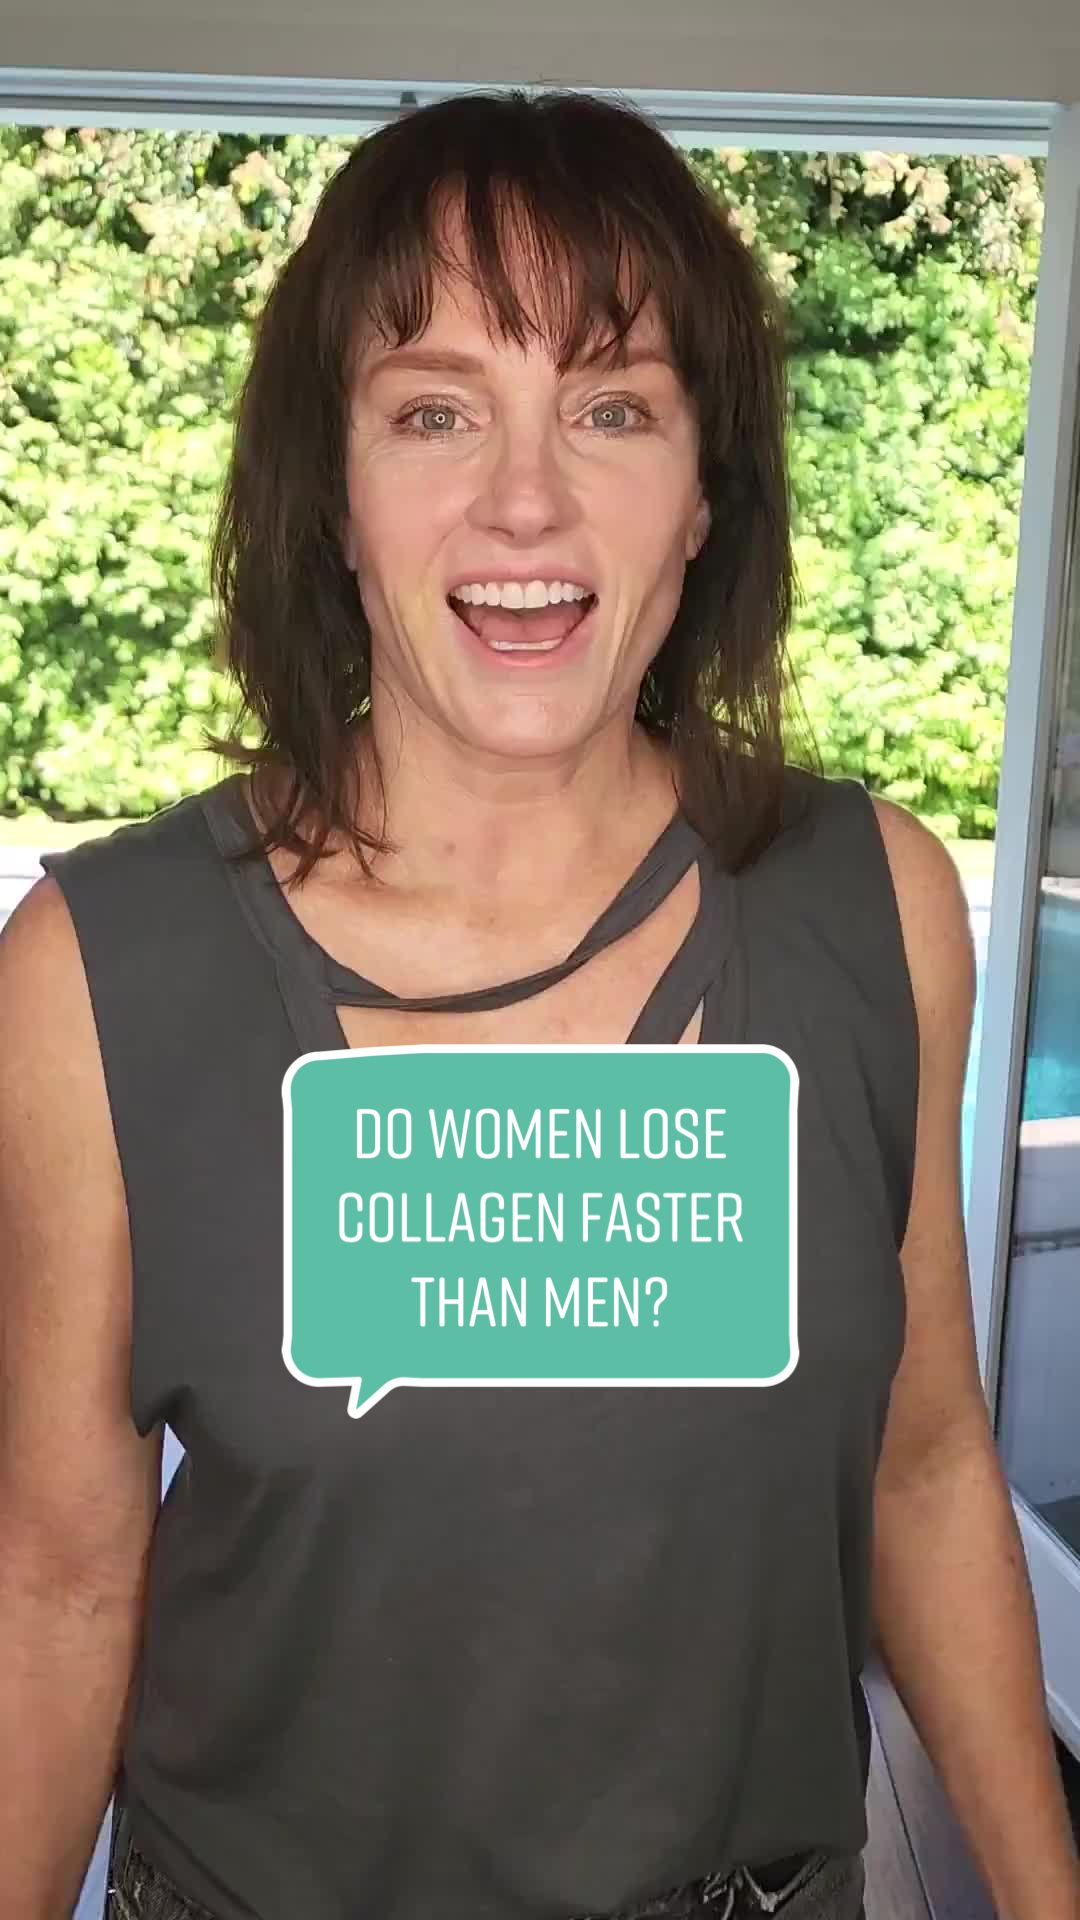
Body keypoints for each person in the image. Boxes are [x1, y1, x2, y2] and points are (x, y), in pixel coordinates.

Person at [1, 87, 1077, 1920]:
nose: (524, 499)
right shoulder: (95, 979)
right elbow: (59, 1584)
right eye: (434, 411)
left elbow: (923, 1465)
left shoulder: (875, 913)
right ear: (333, 497)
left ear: (704, 494)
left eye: (611, 408)